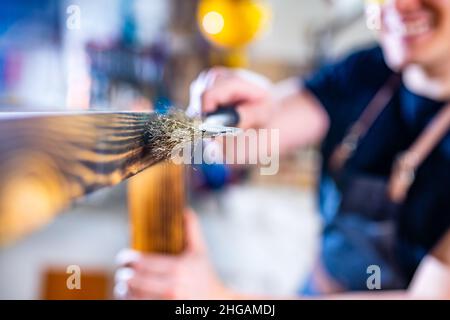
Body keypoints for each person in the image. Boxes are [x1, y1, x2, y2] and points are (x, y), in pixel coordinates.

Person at [115, 0, 450, 299]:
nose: (398, 4)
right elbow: (245, 140)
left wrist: (219, 298)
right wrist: (235, 109)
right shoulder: (365, 72)